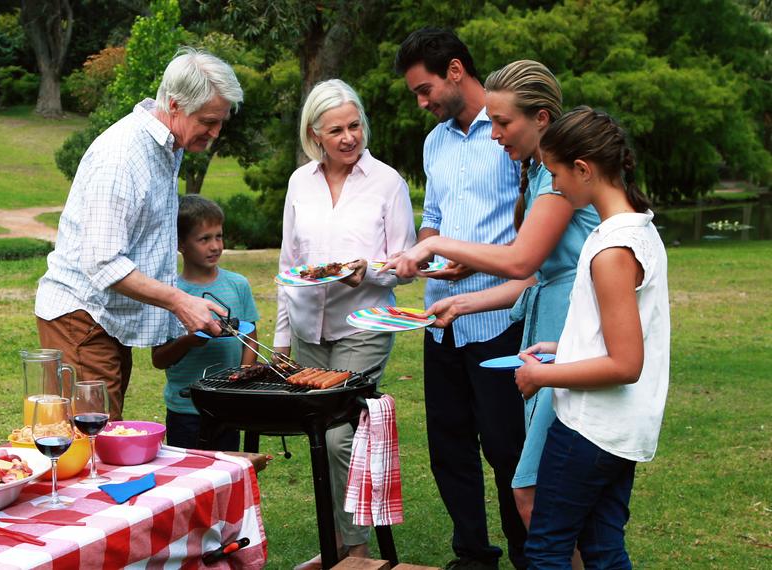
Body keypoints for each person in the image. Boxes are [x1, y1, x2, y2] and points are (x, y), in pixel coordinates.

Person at [385, 60, 599, 536]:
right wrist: (460, 305)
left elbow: (523, 262)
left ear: (541, 119)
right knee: (543, 486)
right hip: (541, 331)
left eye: (503, 123)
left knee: (532, 485)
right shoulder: (538, 172)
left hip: (564, 331)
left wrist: (435, 244)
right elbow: (533, 278)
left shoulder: (555, 178)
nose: (495, 134)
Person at [34, 48, 242, 421]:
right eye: (208, 121)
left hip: (106, 321)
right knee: (91, 441)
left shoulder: (167, 146)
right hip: (83, 318)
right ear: (175, 104)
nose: (215, 132)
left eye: (221, 121)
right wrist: (180, 301)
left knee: (102, 435)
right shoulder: (122, 156)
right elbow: (102, 263)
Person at [392, 28, 527, 570]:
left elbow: (532, 234)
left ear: (454, 70)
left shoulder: (510, 133)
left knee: (505, 447)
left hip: (500, 313)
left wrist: (474, 258)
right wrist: (418, 252)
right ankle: (473, 555)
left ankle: (528, 554)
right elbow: (437, 220)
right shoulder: (436, 142)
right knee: (449, 447)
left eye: (424, 90)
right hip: (440, 317)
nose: (422, 104)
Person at [515, 106, 670, 568]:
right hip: (617, 430)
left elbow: (626, 364)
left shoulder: (611, 250)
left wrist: (544, 378)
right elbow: (621, 335)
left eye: (556, 174)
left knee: (546, 547)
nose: (554, 186)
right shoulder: (638, 229)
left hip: (591, 428)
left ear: (583, 169)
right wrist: (562, 349)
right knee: (603, 549)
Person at [274, 78, 416, 569]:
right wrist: (281, 338)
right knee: (318, 434)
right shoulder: (299, 183)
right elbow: (290, 266)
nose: (350, 137)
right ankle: (335, 542)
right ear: (315, 135)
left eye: (355, 125)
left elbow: (404, 263)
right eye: (336, 129)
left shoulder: (387, 182)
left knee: (338, 435)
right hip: (308, 325)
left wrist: (369, 270)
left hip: (366, 322)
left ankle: (356, 549)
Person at [151, 195, 259, 451]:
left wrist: (242, 374)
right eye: (204, 239)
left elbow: (250, 337)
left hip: (227, 404)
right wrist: (190, 340)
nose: (215, 246)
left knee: (227, 473)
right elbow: (159, 359)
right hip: (186, 409)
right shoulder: (170, 293)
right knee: (189, 478)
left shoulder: (238, 284)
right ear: (180, 244)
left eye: (218, 236)